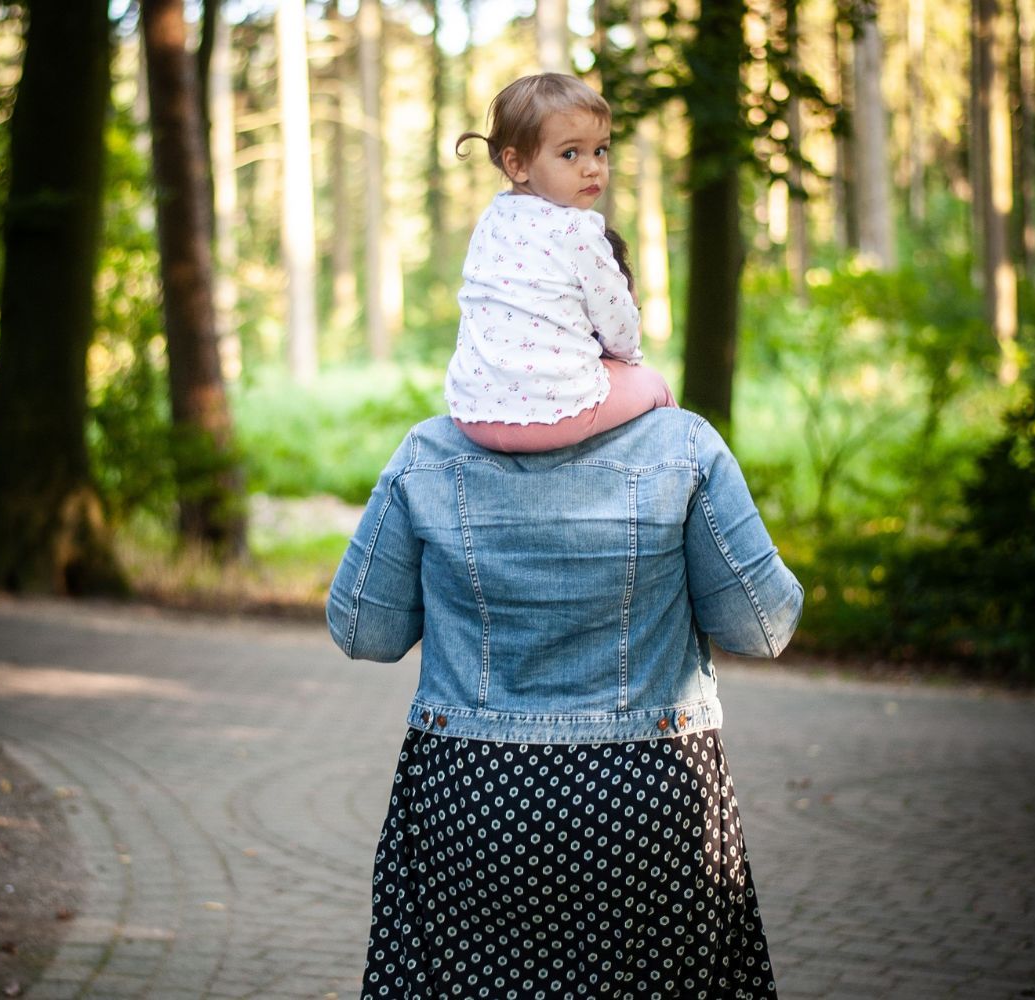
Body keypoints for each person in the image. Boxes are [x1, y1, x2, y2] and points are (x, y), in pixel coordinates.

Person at [327, 404, 804, 997]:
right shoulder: (683, 447)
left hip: (474, 802)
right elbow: (763, 628)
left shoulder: (430, 453)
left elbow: (363, 630)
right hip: (643, 801)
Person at [445, 73, 675, 454]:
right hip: (555, 414)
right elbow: (616, 318)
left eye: (600, 150)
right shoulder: (578, 228)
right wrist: (629, 359)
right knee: (654, 386)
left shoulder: (491, 222)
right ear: (516, 164)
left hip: (472, 412)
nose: (592, 168)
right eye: (571, 153)